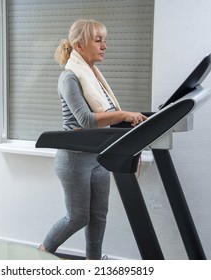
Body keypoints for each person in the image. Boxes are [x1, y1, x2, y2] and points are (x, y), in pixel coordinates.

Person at [39, 19, 147, 260]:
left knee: (99, 215)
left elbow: (105, 115)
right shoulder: (70, 78)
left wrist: (127, 118)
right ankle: (41, 254)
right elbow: (86, 120)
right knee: (78, 217)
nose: (104, 45)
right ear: (79, 46)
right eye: (97, 40)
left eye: (104, 40)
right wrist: (123, 114)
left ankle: (93, 264)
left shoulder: (93, 76)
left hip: (98, 156)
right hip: (75, 159)